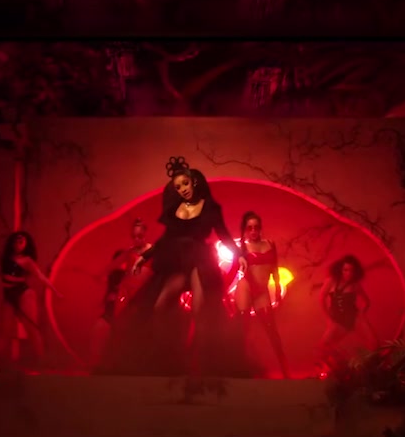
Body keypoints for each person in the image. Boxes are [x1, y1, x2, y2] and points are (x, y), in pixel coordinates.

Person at [99, 156, 248, 376]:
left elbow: (223, 233)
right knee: (160, 305)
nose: (183, 189)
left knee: (200, 309)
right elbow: (165, 239)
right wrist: (144, 256)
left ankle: (202, 364)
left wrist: (240, 254)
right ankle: (171, 358)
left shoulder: (209, 207)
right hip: (177, 261)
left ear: (193, 181)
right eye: (178, 187)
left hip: (199, 259)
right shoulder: (176, 210)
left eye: (185, 184)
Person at [234, 212, 290, 379]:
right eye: (250, 228)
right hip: (246, 286)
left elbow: (275, 267)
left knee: (272, 330)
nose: (253, 231)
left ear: (260, 228)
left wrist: (278, 287)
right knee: (243, 329)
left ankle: (285, 370)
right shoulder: (242, 247)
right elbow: (236, 268)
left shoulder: (270, 244)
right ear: (245, 230)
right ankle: (239, 369)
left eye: (256, 227)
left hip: (262, 289)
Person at [0, 231, 62, 370]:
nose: (18, 244)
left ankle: (41, 360)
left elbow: (40, 277)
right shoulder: (7, 258)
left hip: (23, 293)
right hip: (8, 295)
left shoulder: (27, 261)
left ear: (26, 244)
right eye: (16, 241)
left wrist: (55, 291)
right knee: (4, 330)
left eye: (21, 242)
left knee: (31, 327)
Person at [90, 219, 152, 365]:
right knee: (123, 325)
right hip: (128, 294)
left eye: (140, 236)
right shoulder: (129, 252)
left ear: (145, 235)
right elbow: (113, 265)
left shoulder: (151, 251)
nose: (137, 240)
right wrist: (100, 274)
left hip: (143, 295)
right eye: (134, 237)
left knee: (139, 326)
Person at [317, 254, 379, 371]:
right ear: (340, 270)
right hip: (337, 320)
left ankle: (370, 369)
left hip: (354, 317)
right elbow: (321, 299)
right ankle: (328, 370)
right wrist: (328, 317)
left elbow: (366, 301)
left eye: (351, 270)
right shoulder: (331, 281)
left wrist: (362, 314)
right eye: (345, 270)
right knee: (324, 345)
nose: (348, 273)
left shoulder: (355, 285)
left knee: (373, 343)